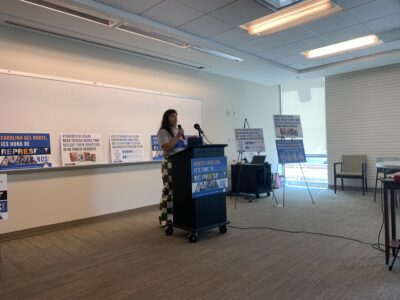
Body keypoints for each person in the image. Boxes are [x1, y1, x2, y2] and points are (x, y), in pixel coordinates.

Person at [157, 109, 185, 227]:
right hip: (169, 164)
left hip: (181, 164)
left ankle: (178, 217)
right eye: (172, 116)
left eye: (176, 116)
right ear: (167, 118)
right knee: (169, 191)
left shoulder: (177, 130)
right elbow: (167, 147)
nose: (175, 118)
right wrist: (178, 136)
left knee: (179, 192)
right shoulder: (163, 132)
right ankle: (165, 219)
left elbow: (183, 147)